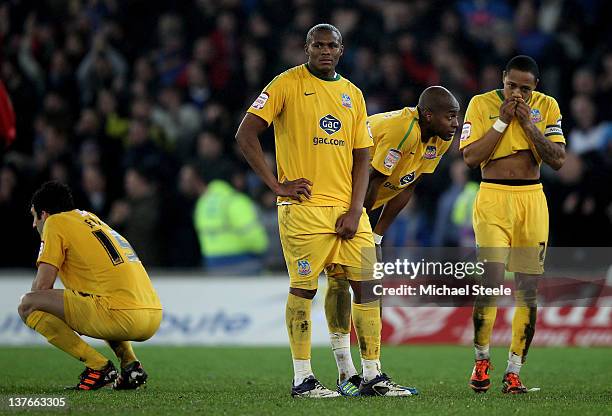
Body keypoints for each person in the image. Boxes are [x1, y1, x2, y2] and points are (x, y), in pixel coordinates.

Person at [235, 24, 414, 398]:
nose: (325, 50)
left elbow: (363, 158)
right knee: (304, 290)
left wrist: (355, 210)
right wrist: (277, 185)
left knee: (366, 287)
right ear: (306, 48)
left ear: (342, 49)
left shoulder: (353, 94)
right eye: (318, 45)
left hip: (347, 211)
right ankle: (303, 378)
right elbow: (246, 134)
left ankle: (372, 375)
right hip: (303, 210)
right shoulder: (285, 84)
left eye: (332, 45)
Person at [460, 55, 566, 394]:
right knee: (490, 281)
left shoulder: (548, 107)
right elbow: (471, 157)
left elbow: (558, 159)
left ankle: (514, 371)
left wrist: (529, 126)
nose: (516, 94)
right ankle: (481, 360)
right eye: (511, 86)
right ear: (502, 78)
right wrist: (502, 122)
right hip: (492, 197)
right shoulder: (480, 104)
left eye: (525, 89)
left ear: (535, 88)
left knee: (528, 290)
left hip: (532, 200)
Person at [17, 181, 162, 390]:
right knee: (96, 298)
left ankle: (98, 366)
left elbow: (41, 288)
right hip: (152, 315)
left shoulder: (55, 223)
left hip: (120, 315)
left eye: (34, 216)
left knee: (27, 305)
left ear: (44, 214)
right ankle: (131, 366)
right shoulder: (91, 219)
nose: (33, 224)